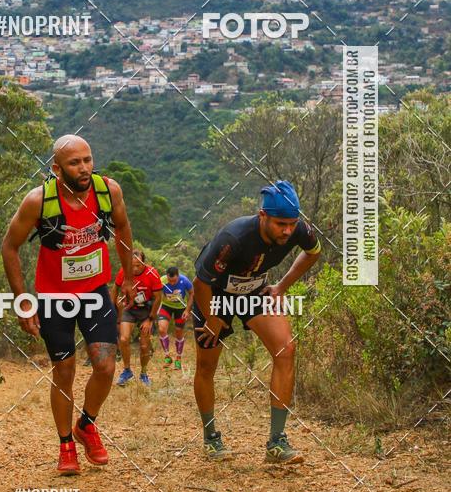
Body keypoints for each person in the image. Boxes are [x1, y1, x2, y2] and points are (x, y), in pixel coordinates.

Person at [1, 135, 133, 476]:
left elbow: (122, 228)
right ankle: (65, 446)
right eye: (75, 163)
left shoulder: (108, 191)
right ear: (57, 168)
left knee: (105, 366)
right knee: (64, 371)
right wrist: (23, 303)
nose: (85, 168)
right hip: (54, 297)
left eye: (88, 160)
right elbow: (9, 248)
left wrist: (129, 277)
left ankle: (86, 424)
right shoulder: (38, 201)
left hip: (94, 292)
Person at [192, 180, 321, 464]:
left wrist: (282, 287)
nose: (287, 230)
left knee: (285, 350)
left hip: (253, 291)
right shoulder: (234, 237)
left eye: (291, 223)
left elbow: (313, 252)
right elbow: (200, 282)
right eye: (279, 224)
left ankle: (277, 442)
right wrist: (212, 318)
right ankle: (211, 437)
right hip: (213, 296)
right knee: (206, 366)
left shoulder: (296, 229)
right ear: (263, 215)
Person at [113, 249, 163, 387]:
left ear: (144, 263)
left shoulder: (152, 273)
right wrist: (114, 309)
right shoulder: (124, 271)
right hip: (129, 309)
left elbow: (159, 297)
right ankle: (127, 371)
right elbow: (115, 288)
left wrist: (150, 319)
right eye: (132, 265)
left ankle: (144, 374)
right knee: (123, 339)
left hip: (146, 310)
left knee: (144, 344)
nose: (135, 268)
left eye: (138, 265)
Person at [158, 266, 193, 369]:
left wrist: (187, 310)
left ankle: (178, 359)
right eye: (169, 280)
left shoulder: (185, 280)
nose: (172, 283)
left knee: (178, 332)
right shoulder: (162, 280)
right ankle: (167, 356)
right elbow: (156, 292)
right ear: (167, 276)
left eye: (174, 281)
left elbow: (192, 293)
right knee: (162, 329)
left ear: (178, 276)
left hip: (181, 308)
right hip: (166, 306)